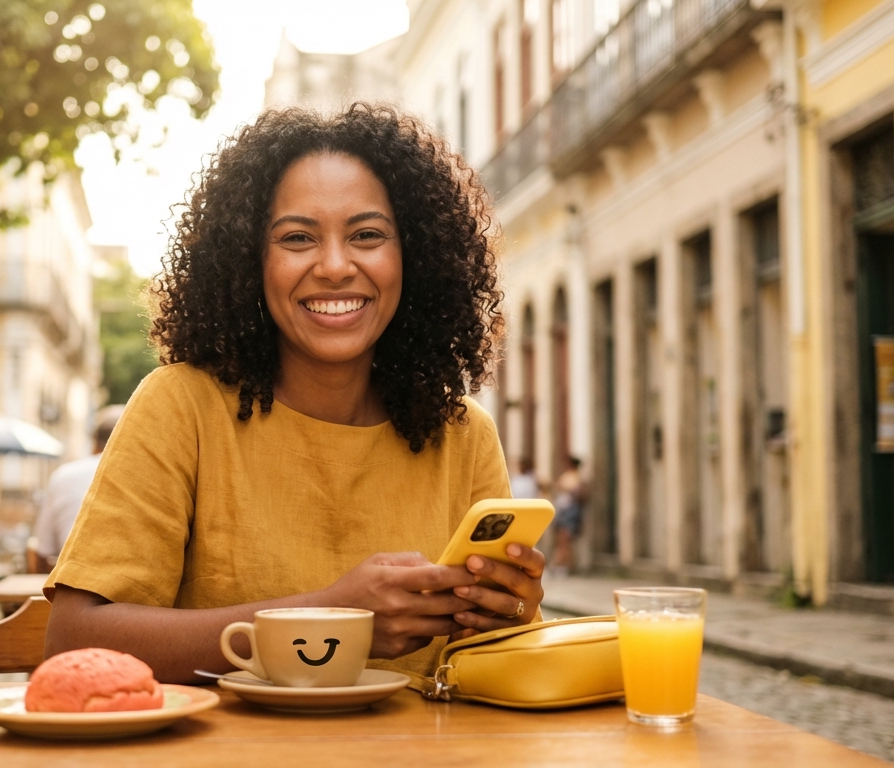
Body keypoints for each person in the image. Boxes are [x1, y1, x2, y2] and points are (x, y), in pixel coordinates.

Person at [44, 104, 546, 684]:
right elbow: (72, 642)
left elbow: (496, 671)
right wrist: (332, 618)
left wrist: (507, 613)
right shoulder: (181, 407)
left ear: (416, 257)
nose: (335, 266)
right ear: (249, 260)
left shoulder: (462, 433)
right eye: (298, 238)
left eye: (367, 235)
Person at [33, 406, 125, 562]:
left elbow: (44, 549)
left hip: (76, 577)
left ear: (95, 443)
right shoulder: (148, 476)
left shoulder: (63, 475)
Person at [551, 456, 587, 576]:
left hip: (570, 512)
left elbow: (580, 495)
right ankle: (564, 566)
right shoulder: (570, 476)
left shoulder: (576, 478)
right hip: (564, 511)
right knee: (563, 540)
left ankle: (562, 567)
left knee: (565, 540)